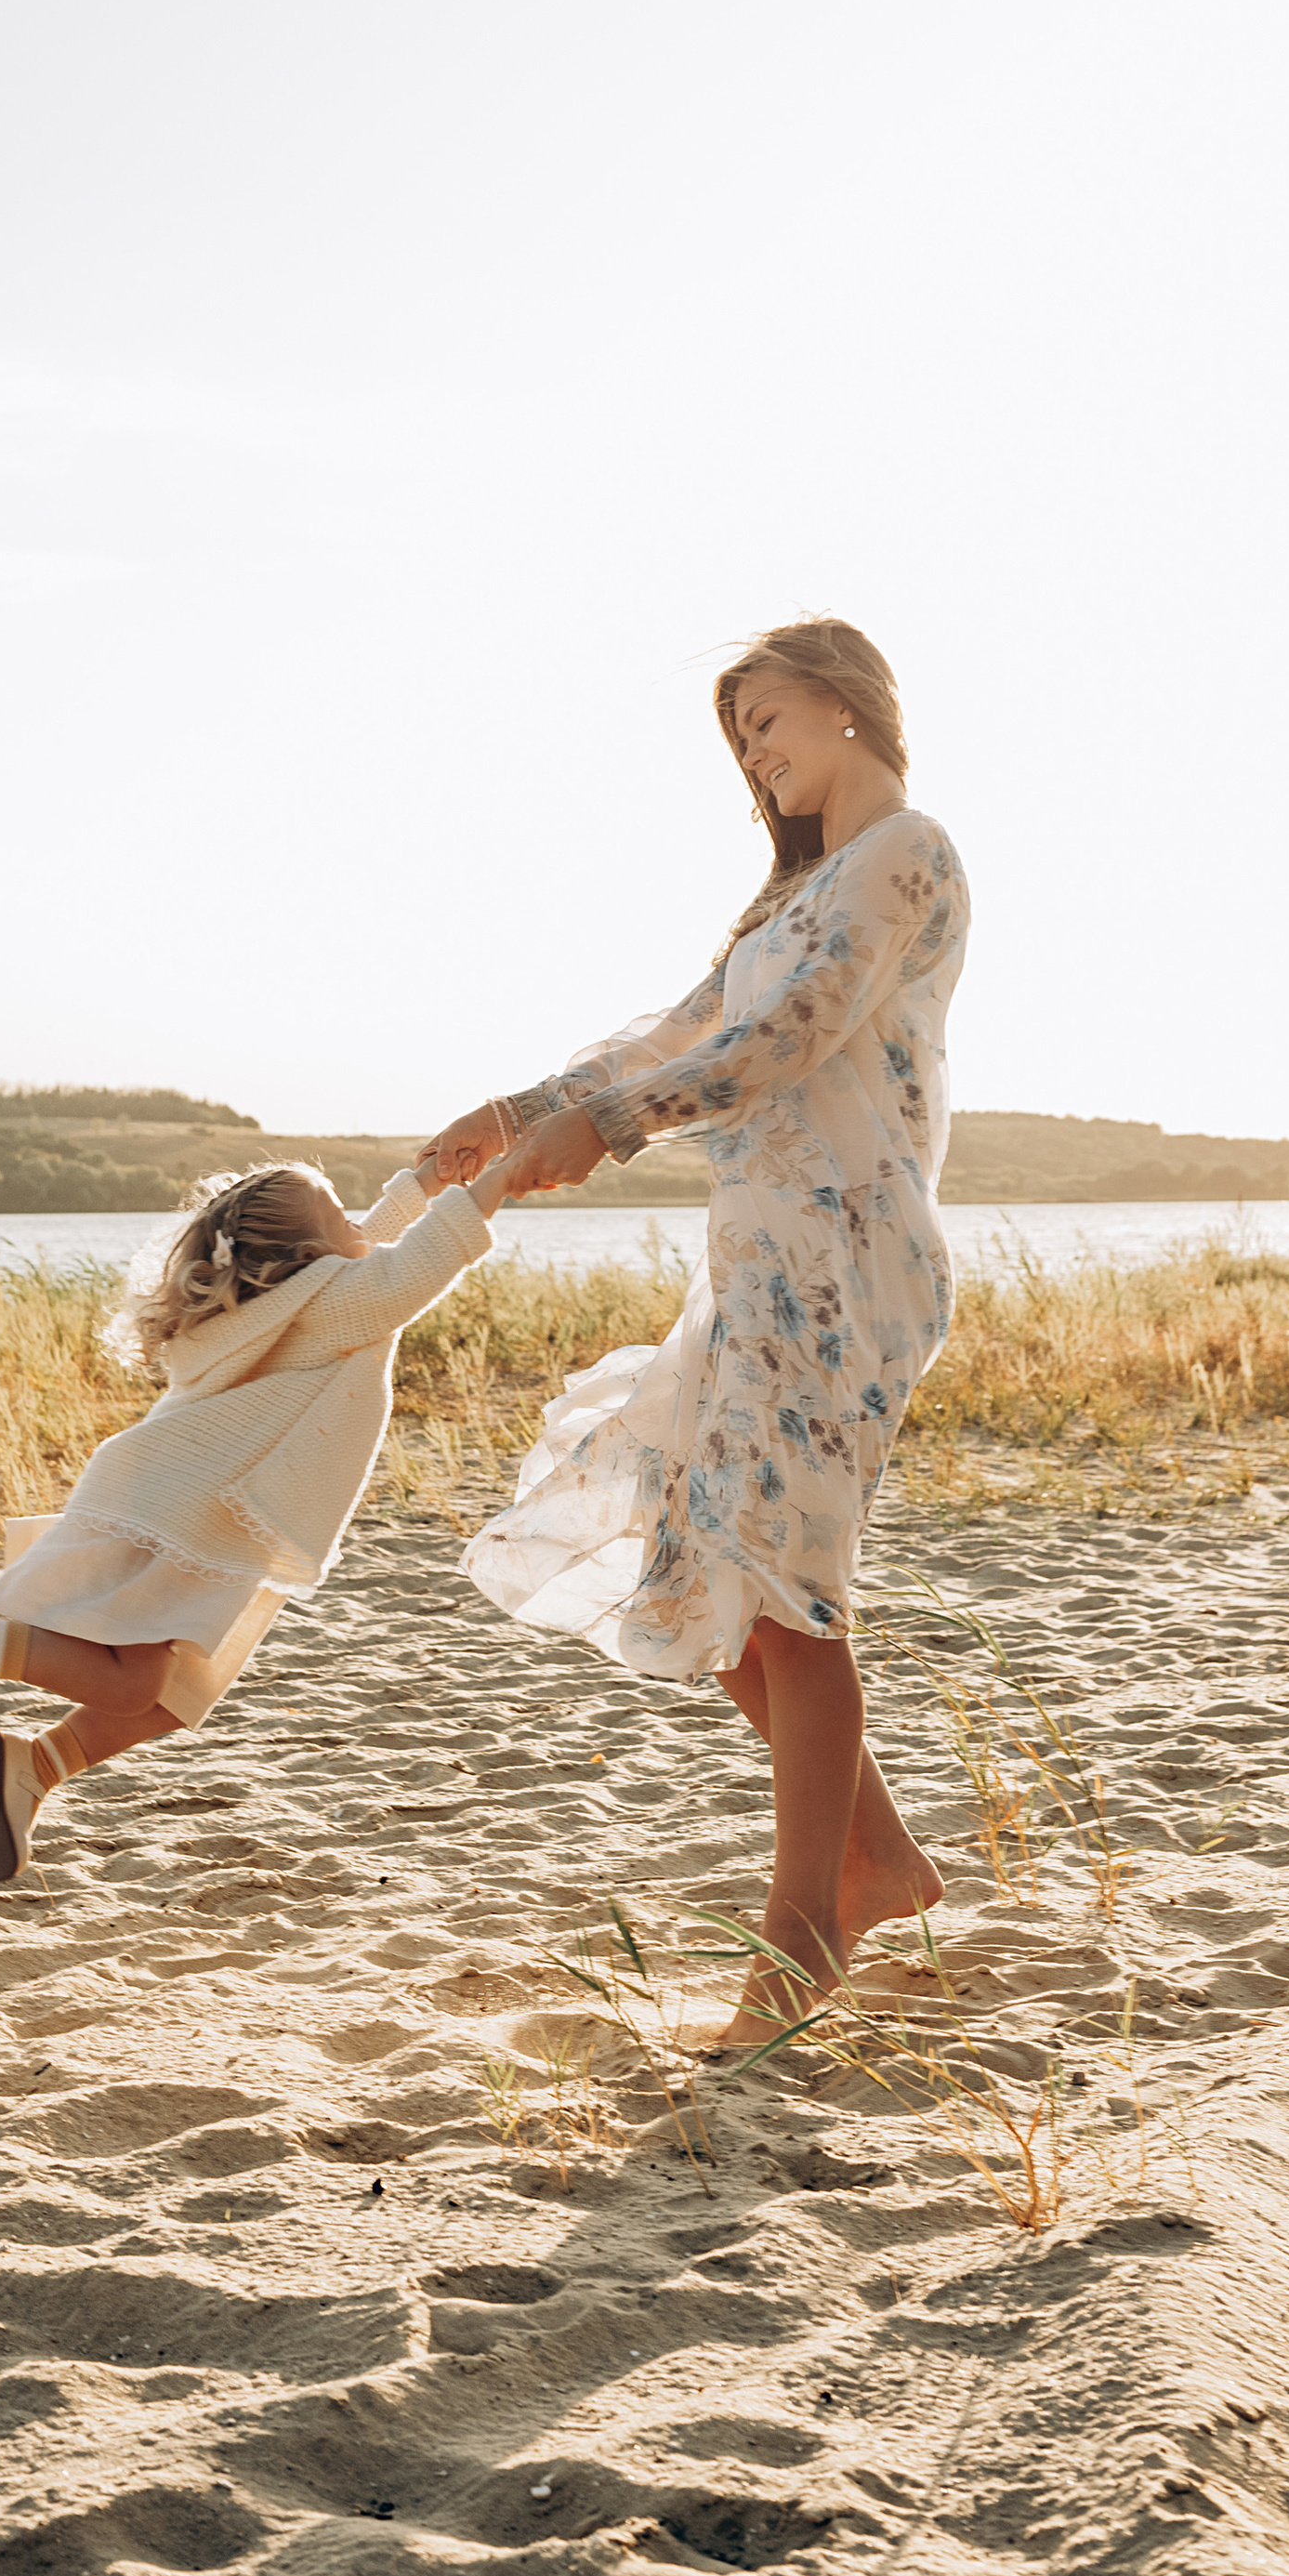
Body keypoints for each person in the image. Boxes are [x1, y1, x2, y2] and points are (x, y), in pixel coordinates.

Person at [421, 615, 968, 2044]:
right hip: (755, 1258)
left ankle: (803, 1945)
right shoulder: (786, 899)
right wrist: (526, 1103)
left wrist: (604, 1129)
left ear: (848, 705)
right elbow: (682, 1031)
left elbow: (790, 1041)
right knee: (710, 1561)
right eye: (739, 737)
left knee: (787, 1595)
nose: (756, 751)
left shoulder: (907, 855)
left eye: (769, 719)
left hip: (848, 1251)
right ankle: (879, 1862)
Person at [0, 1147, 520, 1879]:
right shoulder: (337, 1297)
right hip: (190, 1509)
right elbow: (416, 1265)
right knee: (133, 1685)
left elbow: (361, 1236)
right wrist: (503, 1177)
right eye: (340, 1210)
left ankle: (33, 1766)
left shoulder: (283, 1296)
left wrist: (429, 1182)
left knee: (174, 1694)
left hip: (187, 1503)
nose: (359, 1221)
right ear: (306, 1251)